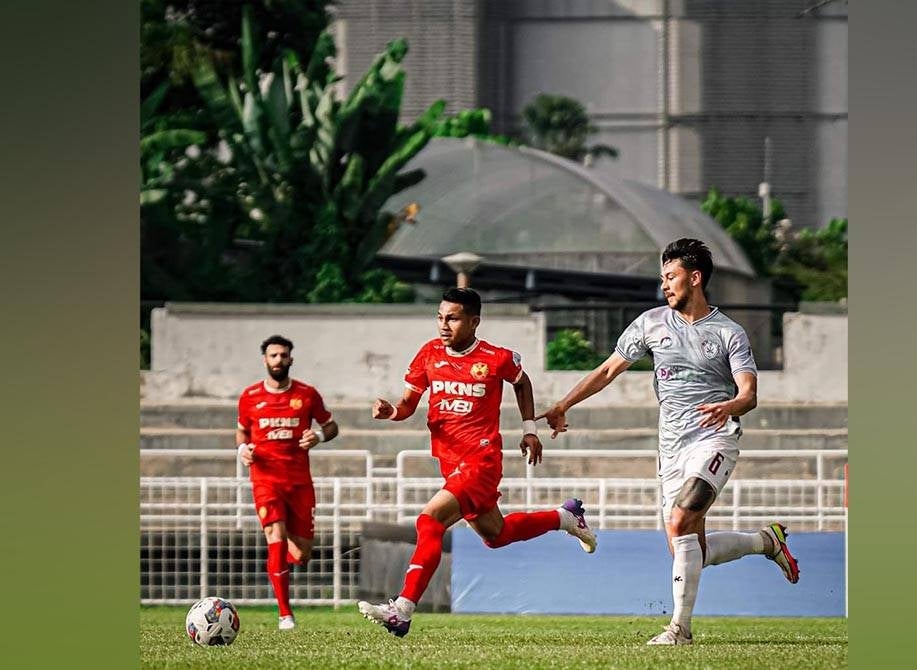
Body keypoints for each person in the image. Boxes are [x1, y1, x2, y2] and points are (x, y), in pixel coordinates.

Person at [538, 239, 800, 646]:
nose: (664, 284)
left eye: (671, 276)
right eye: (662, 277)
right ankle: (766, 542)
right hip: (671, 447)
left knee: (680, 521)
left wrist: (729, 405)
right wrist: (563, 404)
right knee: (687, 550)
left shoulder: (728, 332)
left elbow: (749, 395)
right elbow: (607, 370)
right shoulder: (651, 323)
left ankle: (679, 629)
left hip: (715, 438)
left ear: (694, 278)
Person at [357, 288, 597, 638]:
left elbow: (522, 382)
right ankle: (564, 517)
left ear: (474, 322)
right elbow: (407, 405)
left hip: (481, 461)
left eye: (452, 318)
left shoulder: (495, 358)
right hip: (450, 463)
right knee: (496, 535)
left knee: (429, 520)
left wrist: (529, 430)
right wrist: (390, 411)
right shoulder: (429, 354)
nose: (444, 325)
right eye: (440, 317)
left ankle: (403, 609)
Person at [236, 335, 339, 630]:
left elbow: (331, 426)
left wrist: (318, 436)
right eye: (273, 355)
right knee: (276, 536)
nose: (278, 360)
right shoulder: (250, 396)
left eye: (283, 355)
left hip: (299, 483)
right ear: (265, 360)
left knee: (302, 553)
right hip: (265, 480)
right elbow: (242, 432)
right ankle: (285, 614)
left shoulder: (307, 394)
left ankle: (281, 563)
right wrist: (242, 449)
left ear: (291, 359)